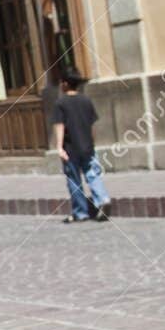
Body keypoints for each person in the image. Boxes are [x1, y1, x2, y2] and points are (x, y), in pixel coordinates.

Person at [54, 70, 110, 222]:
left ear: (65, 83)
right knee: (93, 175)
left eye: (60, 82)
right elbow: (92, 125)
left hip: (70, 148)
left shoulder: (61, 103)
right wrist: (92, 142)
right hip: (87, 146)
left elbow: (60, 126)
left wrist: (59, 147)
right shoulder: (86, 100)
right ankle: (102, 199)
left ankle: (80, 212)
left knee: (74, 180)